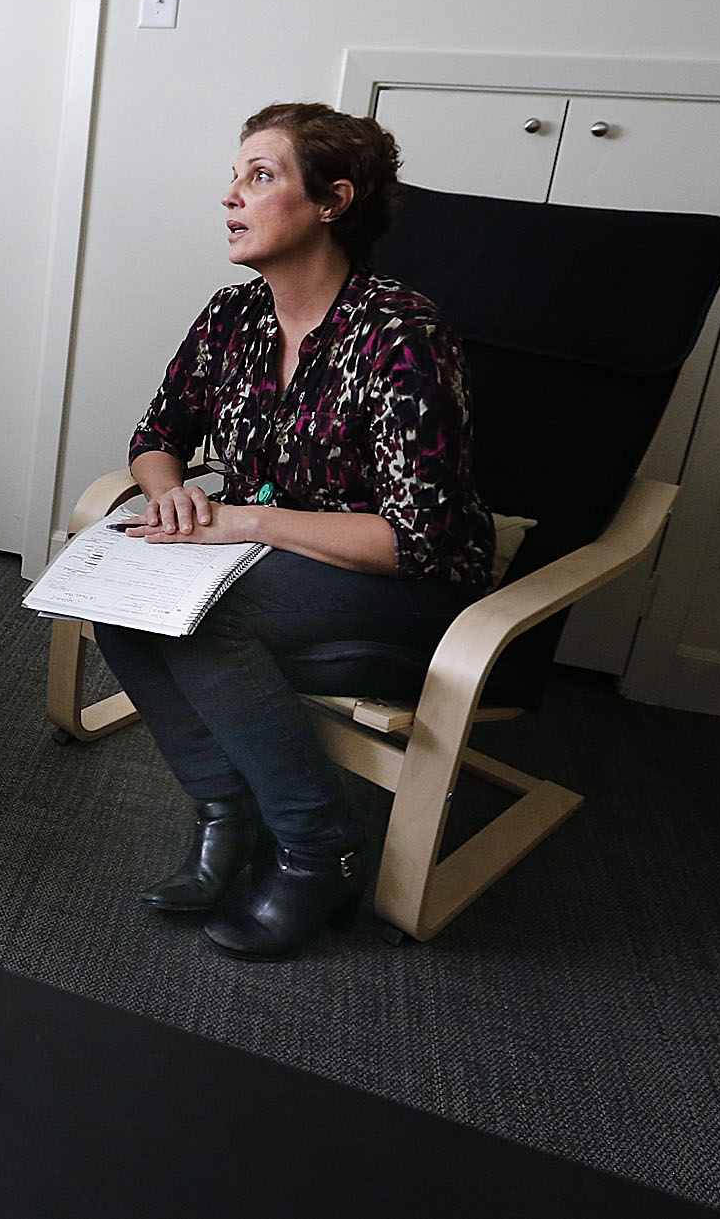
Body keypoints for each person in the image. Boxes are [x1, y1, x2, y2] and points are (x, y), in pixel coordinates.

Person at [94, 101, 494, 961]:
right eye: (235, 174)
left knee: (206, 620)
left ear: (332, 201)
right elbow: (156, 436)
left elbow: (415, 539)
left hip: (410, 584)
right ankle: (226, 813)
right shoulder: (231, 316)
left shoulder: (402, 332)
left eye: (261, 175)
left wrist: (238, 518)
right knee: (122, 602)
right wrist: (169, 494)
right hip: (262, 554)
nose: (231, 194)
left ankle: (320, 850)